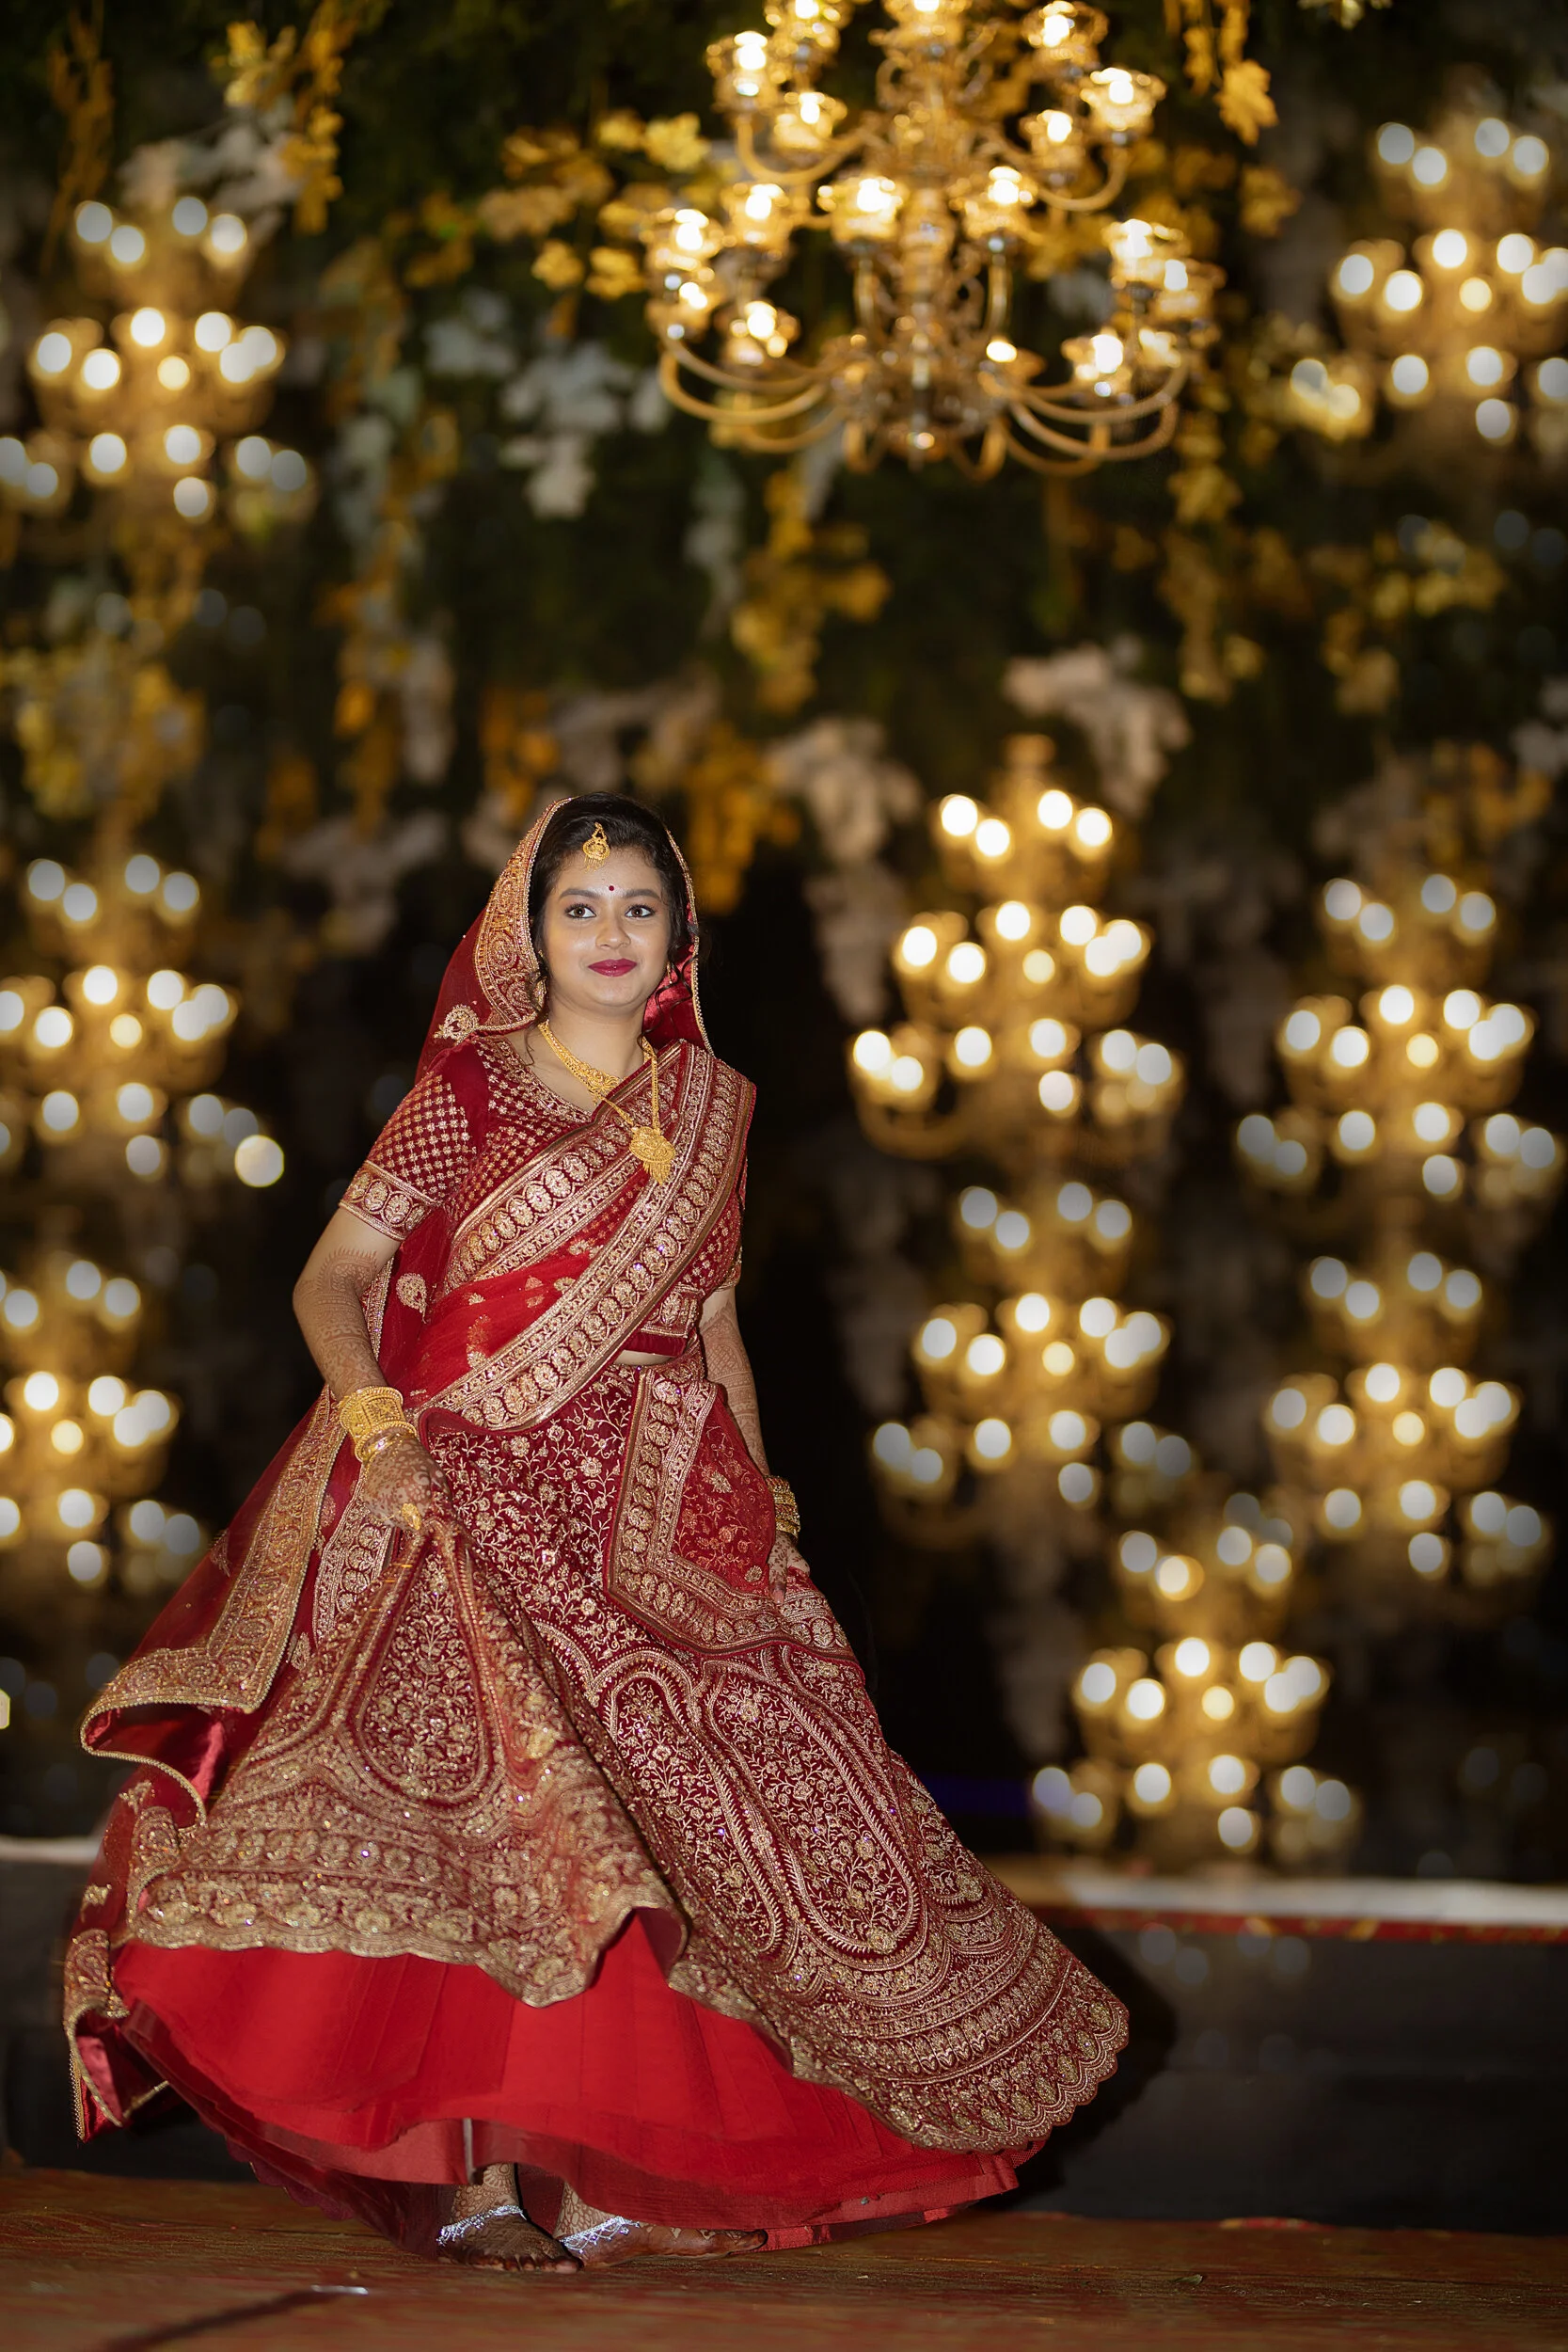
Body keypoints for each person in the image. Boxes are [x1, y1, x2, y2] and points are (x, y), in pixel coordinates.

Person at [64, 795, 1126, 2271]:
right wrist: (377, 1420)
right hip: (473, 1493)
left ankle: (628, 2166)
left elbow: (712, 1331)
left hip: (661, 1508)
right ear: (529, 932)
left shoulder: (717, 1110)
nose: (612, 934)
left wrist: (768, 1518)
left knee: (687, 1829)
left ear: (678, 937)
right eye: (582, 907)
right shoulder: (469, 1088)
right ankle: (483, 2175)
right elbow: (335, 1280)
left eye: (639, 907)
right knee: (518, 1828)